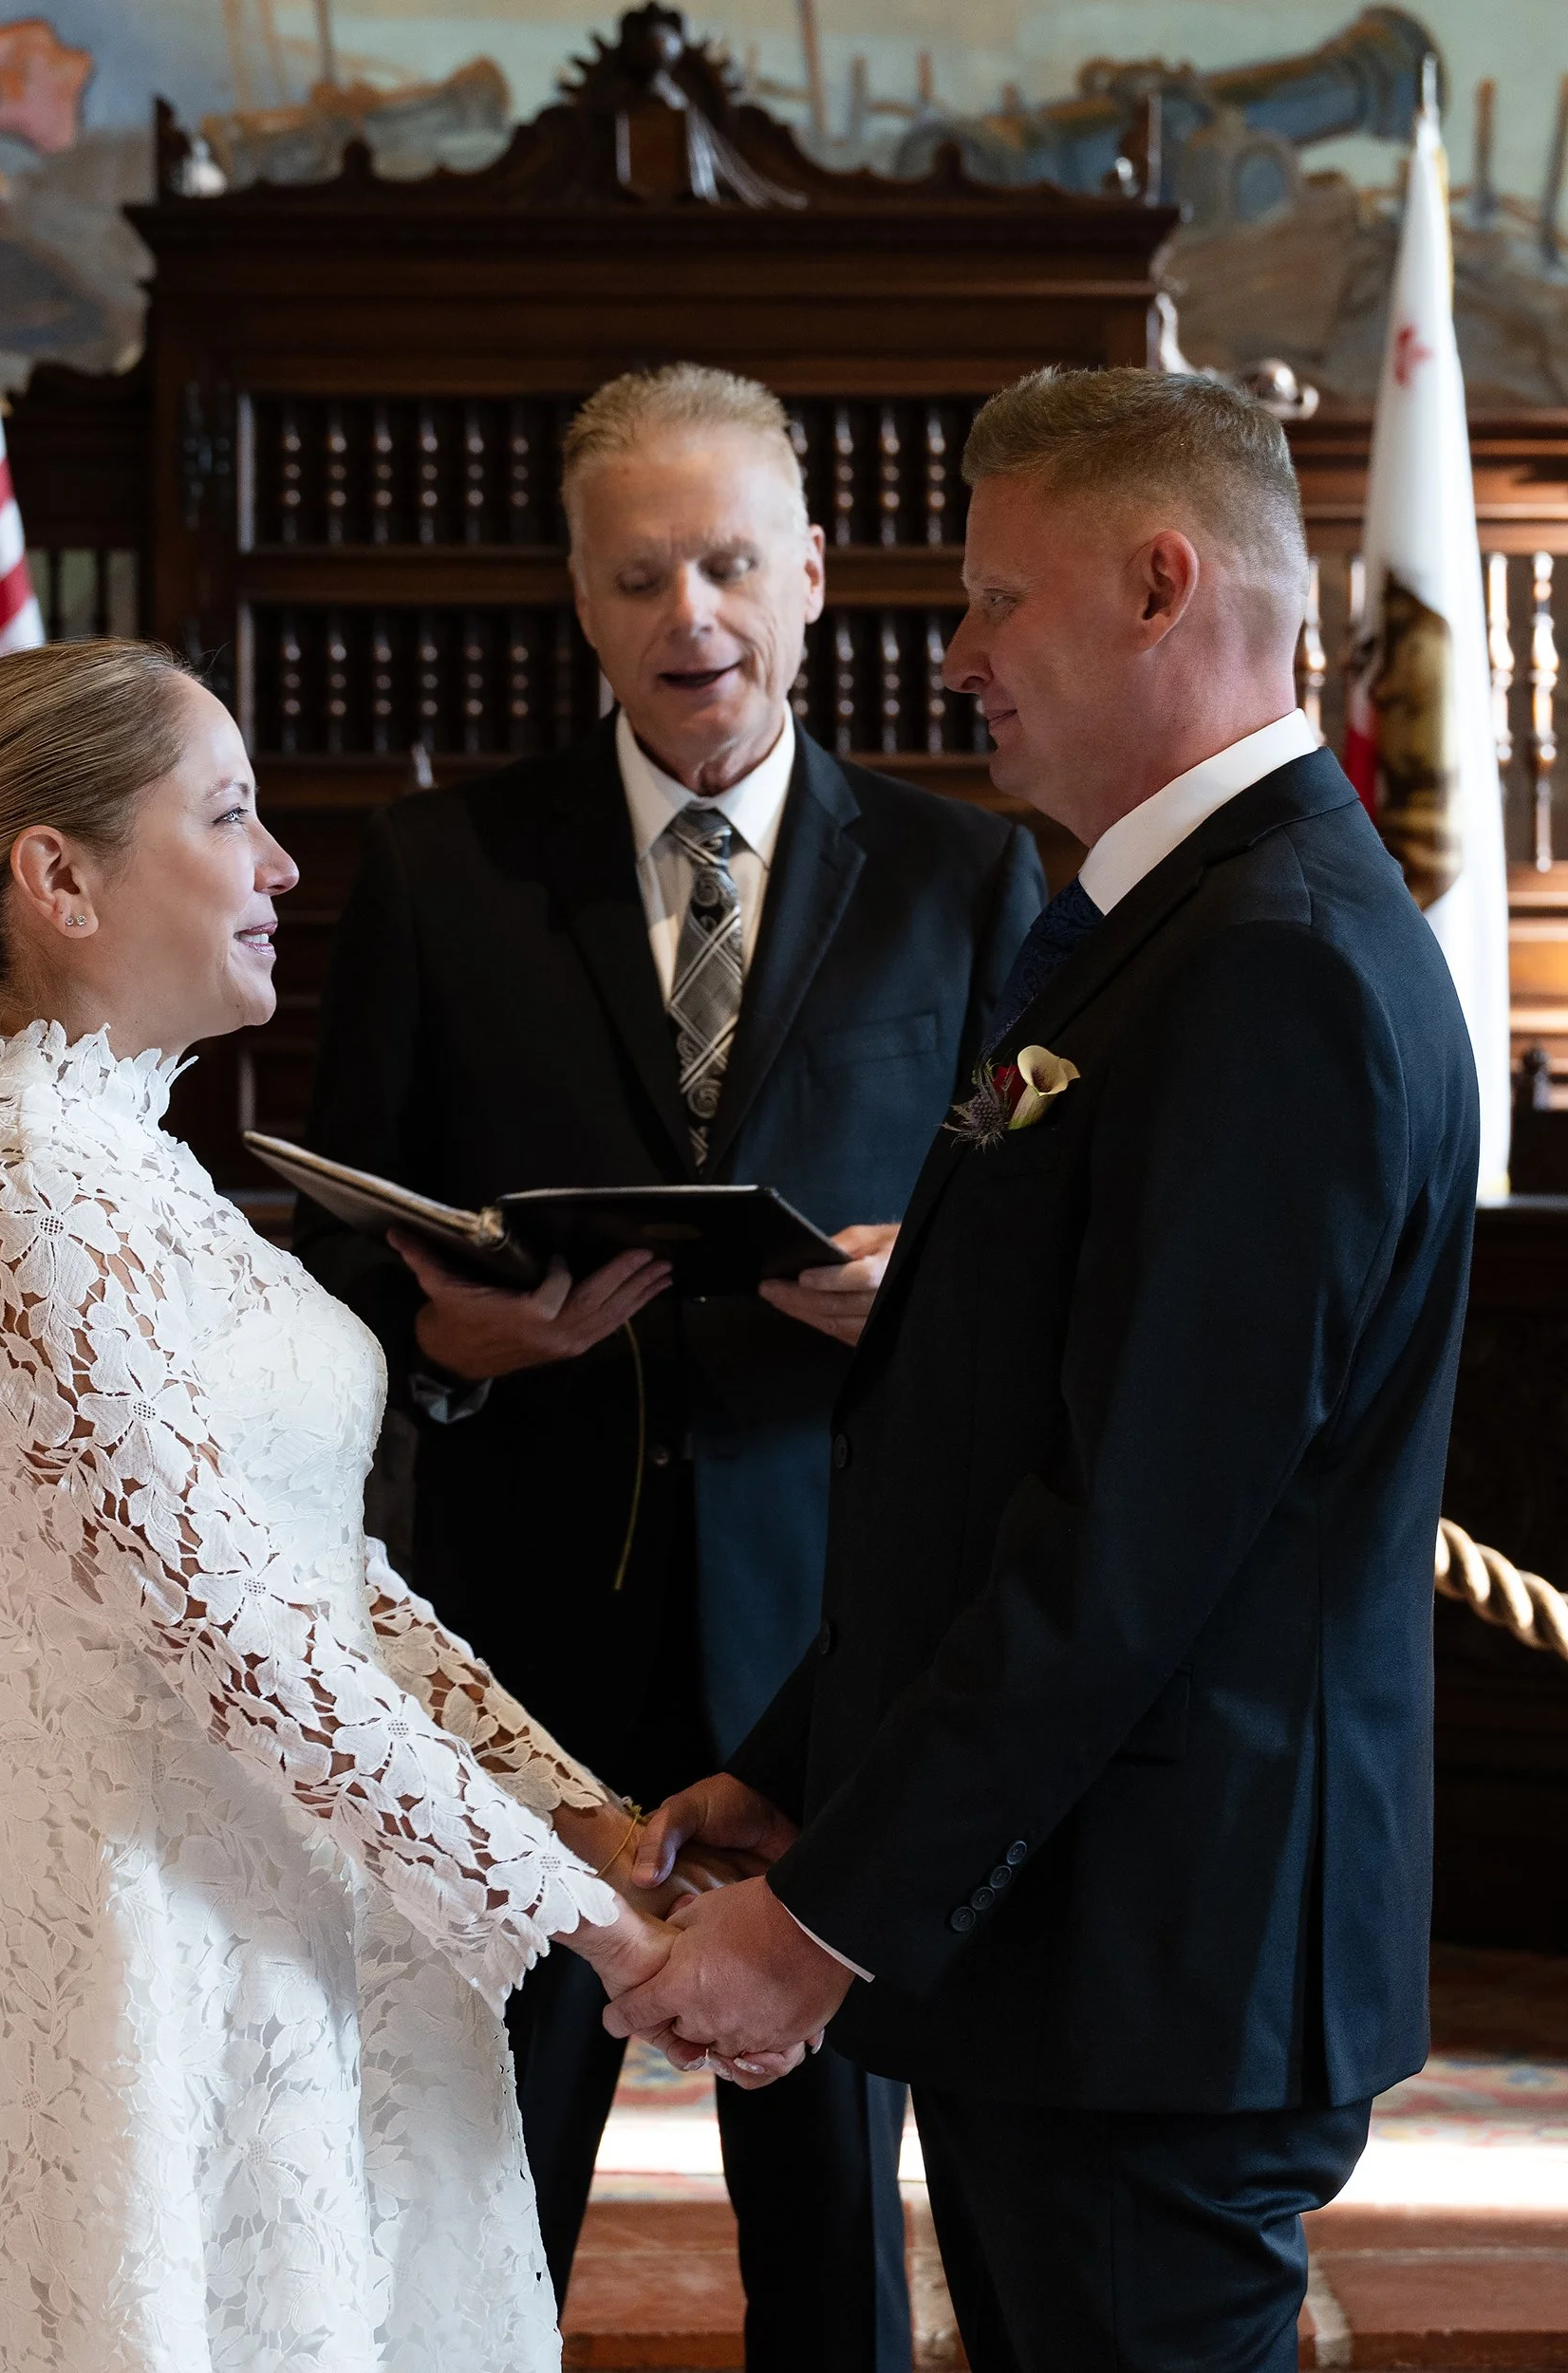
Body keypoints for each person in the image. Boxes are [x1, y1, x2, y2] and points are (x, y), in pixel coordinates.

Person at [606, 367, 1482, 2372]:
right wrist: (800, 1773)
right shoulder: (1160, 923)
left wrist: (819, 1921)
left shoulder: (1270, 964)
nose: (956, 652)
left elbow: (1131, 1541)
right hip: (1073, 1940)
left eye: (995, 595)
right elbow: (995, 1439)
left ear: (1158, 583)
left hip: (1162, 1955)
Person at [0, 639, 789, 2373]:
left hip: (284, 1909)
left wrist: (585, 1815)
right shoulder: (25, 1189)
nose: (280, 865)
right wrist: (613, 1938)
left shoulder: (131, 1161)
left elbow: (328, 1580)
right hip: (135, 1955)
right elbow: (248, 1645)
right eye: (230, 813)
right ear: (59, 876)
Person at [296, 363, 1045, 2371]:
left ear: (809, 577)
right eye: (640, 575)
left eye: (727, 564)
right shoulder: (449, 870)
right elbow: (331, 1260)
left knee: (827, 2213)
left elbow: (1049, 1258)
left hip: (835, 1635)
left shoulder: (971, 882)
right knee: (484, 2175)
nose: (688, 614)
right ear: (580, 594)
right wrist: (446, 1345)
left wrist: (930, 1296)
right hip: (527, 1633)